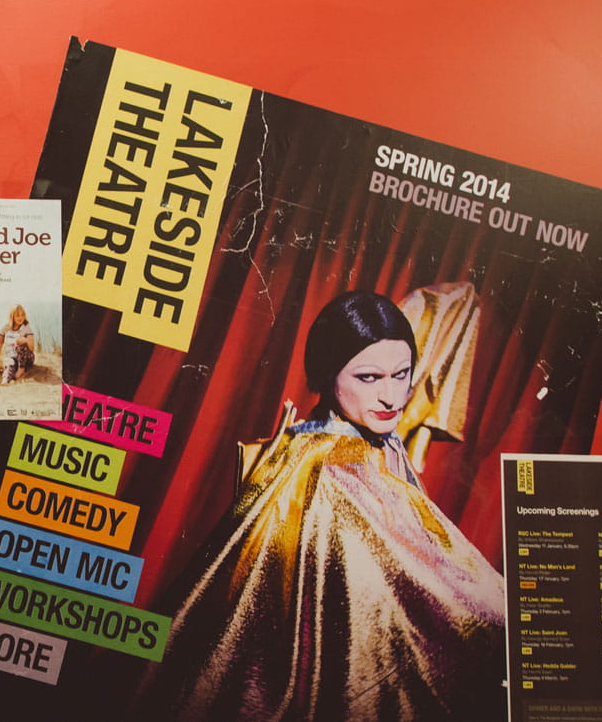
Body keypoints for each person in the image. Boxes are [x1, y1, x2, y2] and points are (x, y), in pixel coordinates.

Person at [134, 291, 505, 722]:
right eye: (369, 377)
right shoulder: (332, 464)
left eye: (402, 374)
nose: (391, 396)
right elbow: (426, 589)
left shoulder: (373, 440)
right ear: (330, 377)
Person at [0, 304, 36, 384]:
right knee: (9, 365)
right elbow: (0, 345)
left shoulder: (26, 328)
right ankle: (5, 381)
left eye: (22, 315)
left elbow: (32, 348)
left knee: (20, 342)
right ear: (12, 316)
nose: (21, 318)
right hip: (11, 357)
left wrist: (26, 340)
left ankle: (21, 369)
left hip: (26, 359)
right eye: (17, 315)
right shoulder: (5, 328)